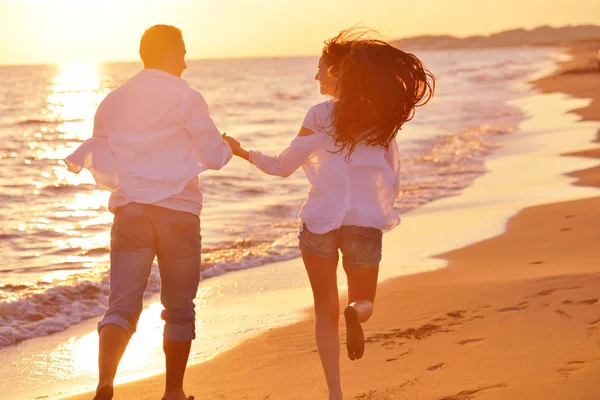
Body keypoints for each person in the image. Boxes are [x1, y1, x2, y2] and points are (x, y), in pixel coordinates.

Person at [223, 29, 434, 399]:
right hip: (364, 224)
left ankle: (335, 393)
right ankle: (356, 312)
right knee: (362, 302)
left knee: (324, 311)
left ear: (337, 73)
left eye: (321, 70)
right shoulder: (380, 118)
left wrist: (241, 152)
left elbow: (280, 167)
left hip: (319, 222)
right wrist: (380, 209)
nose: (316, 76)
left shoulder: (319, 115)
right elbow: (392, 173)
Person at [65, 25, 233, 400]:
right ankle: (173, 392)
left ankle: (106, 382)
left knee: (121, 306)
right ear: (171, 52)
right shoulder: (188, 98)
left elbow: (103, 155)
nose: (187, 64)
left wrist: (133, 184)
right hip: (179, 214)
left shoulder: (113, 100)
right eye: (184, 53)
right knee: (179, 309)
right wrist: (228, 148)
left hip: (131, 214)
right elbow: (214, 154)